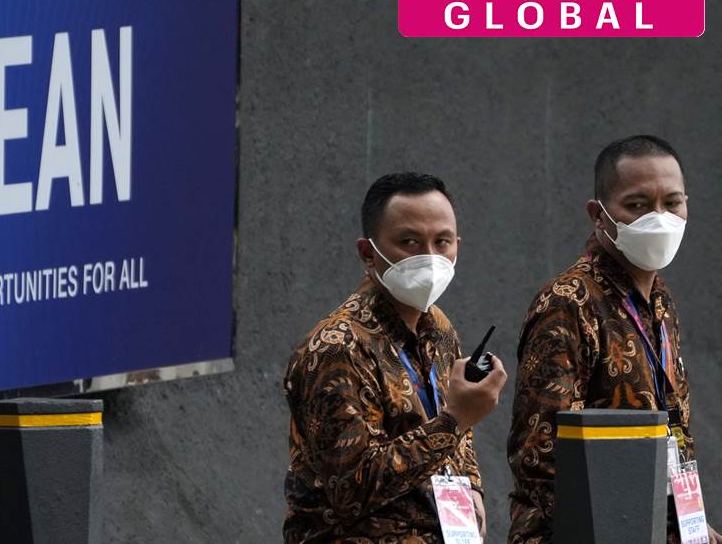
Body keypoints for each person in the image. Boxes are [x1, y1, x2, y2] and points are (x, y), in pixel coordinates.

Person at [507, 135, 720, 543]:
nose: (658, 218)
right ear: (598, 214)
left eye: (672, 203)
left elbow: (673, 433)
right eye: (637, 205)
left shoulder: (660, 302)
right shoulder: (568, 303)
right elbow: (538, 455)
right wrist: (632, 525)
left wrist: (689, 525)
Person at [284, 172, 508, 542]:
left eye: (442, 242)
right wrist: (455, 421)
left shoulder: (438, 327)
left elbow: (453, 424)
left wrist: (472, 489)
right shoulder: (336, 348)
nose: (430, 258)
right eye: (409, 242)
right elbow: (351, 489)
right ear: (368, 253)